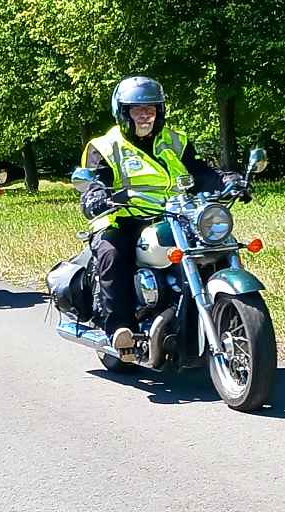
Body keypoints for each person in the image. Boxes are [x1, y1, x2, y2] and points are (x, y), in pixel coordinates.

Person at [78, 76, 224, 360]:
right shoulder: (105, 146)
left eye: (151, 109)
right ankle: (121, 329)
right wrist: (95, 195)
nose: (145, 115)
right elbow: (95, 180)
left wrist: (227, 180)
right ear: (123, 113)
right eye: (137, 109)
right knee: (112, 253)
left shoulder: (176, 140)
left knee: (216, 244)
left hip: (175, 215)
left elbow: (200, 173)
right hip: (122, 217)